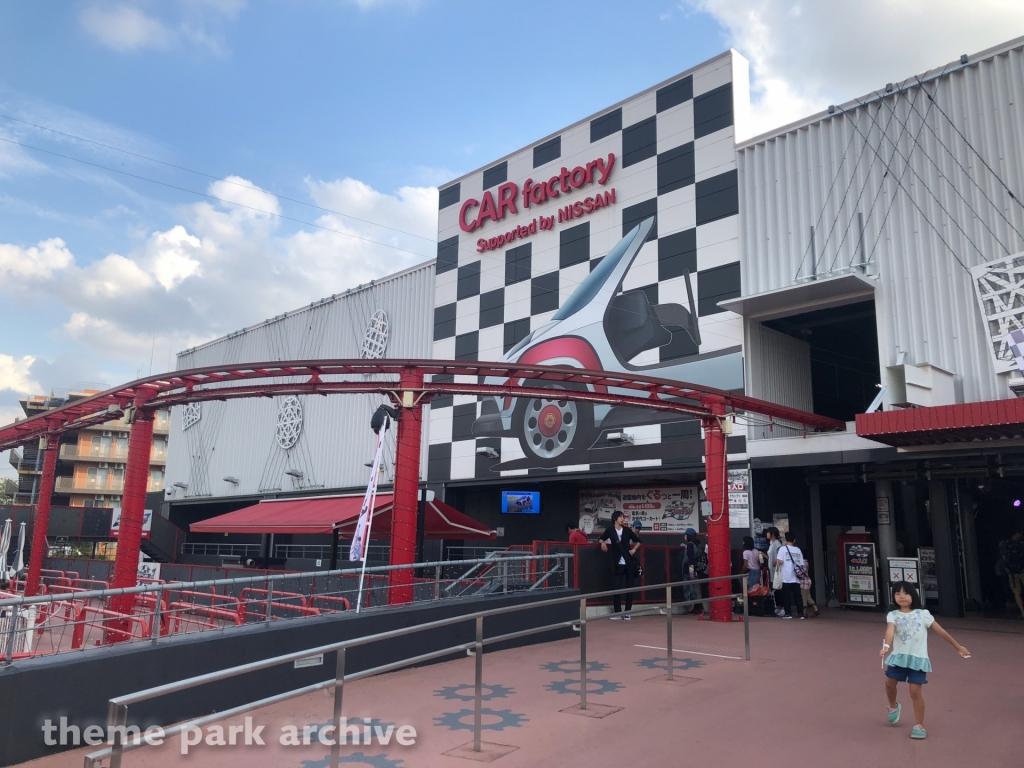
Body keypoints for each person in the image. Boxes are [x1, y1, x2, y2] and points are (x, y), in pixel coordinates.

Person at [880, 581, 971, 740]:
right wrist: (886, 645)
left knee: (915, 691)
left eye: (905, 593)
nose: (901, 597)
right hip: (899, 657)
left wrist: (958, 647)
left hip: (918, 659)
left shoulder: (923, 614)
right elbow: (890, 630)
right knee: (889, 683)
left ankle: (919, 725)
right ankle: (893, 706)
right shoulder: (893, 615)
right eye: (897, 593)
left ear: (913, 596)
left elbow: (940, 631)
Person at [600, 511, 641, 620]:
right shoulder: (610, 530)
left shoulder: (627, 530)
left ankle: (627, 612)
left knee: (629, 587)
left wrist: (634, 549)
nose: (623, 519)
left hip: (629, 562)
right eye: (620, 517)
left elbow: (638, 541)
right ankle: (617, 612)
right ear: (615, 519)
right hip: (618, 563)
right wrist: (602, 543)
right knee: (616, 587)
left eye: (623, 517)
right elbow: (602, 538)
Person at [775, 531, 806, 619]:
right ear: (794, 540)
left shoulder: (782, 549)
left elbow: (780, 561)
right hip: (796, 577)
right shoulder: (798, 550)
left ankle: (788, 613)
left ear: (785, 539)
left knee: (786, 596)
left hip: (786, 576)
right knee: (798, 596)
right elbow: (801, 563)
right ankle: (801, 614)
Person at [765, 527, 785, 617]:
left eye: (768, 532)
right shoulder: (772, 544)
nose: (767, 534)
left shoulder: (777, 544)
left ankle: (782, 607)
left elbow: (780, 556)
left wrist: (776, 561)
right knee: (774, 588)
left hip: (776, 571)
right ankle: (777, 607)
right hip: (772, 570)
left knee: (778, 588)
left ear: (772, 534)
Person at [1006, 530, 1024, 619]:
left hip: (1013, 573)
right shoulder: (1021, 544)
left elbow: (1004, 558)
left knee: (1017, 593)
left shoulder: (1007, 545)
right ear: (1016, 533)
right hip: (1022, 570)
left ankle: (1023, 612)